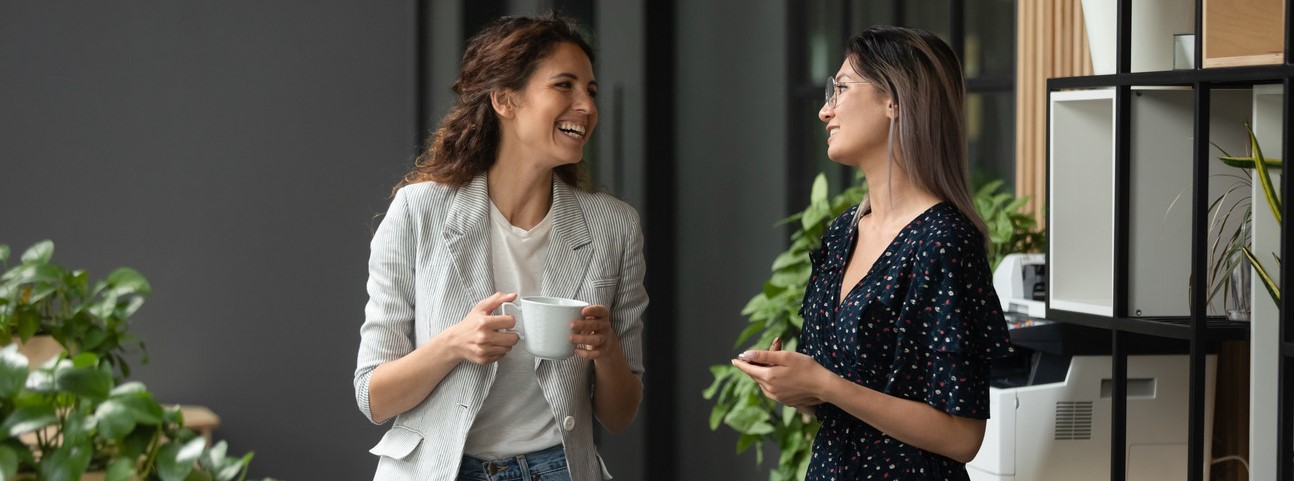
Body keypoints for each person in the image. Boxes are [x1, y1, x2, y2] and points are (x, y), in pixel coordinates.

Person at [353, 14, 647, 481]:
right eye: (564, 86)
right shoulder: (418, 211)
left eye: (590, 90)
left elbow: (620, 413)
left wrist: (607, 349)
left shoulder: (615, 227)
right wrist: (454, 344)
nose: (586, 106)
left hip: (559, 469)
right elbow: (373, 395)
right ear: (505, 99)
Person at [731, 25, 1012, 481]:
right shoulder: (843, 233)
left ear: (894, 100)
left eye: (840, 89)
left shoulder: (943, 242)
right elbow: (840, 404)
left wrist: (826, 385)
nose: (825, 110)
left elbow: (963, 437)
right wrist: (799, 390)